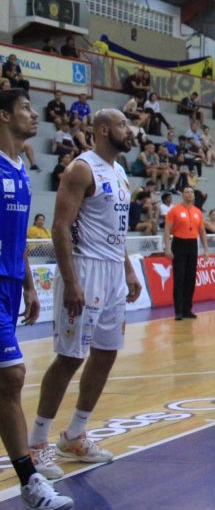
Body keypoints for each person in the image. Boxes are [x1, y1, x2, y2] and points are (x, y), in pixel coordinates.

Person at [29, 109, 142, 487]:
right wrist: (71, 280)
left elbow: (117, 230)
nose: (130, 130)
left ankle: (74, 434)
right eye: (124, 125)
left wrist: (128, 269)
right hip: (85, 269)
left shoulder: (120, 171)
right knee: (70, 357)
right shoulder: (81, 169)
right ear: (104, 130)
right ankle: (36, 442)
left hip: (112, 273)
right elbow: (60, 226)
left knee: (107, 353)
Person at [0, 89, 74, 510]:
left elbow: (17, 236)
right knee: (11, 376)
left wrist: (28, 286)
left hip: (10, 284)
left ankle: (28, 481)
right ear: (3, 115)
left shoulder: (22, 171)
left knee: (5, 383)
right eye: (26, 108)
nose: (34, 114)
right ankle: (30, 479)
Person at [164, 187, 208, 321]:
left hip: (192, 244)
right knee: (179, 277)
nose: (189, 194)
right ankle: (178, 311)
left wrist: (206, 249)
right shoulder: (174, 210)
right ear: (182, 195)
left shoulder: (197, 212)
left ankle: (187, 309)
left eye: (192, 192)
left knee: (190, 278)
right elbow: (167, 230)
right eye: (187, 192)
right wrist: (167, 248)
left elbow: (202, 232)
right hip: (179, 244)